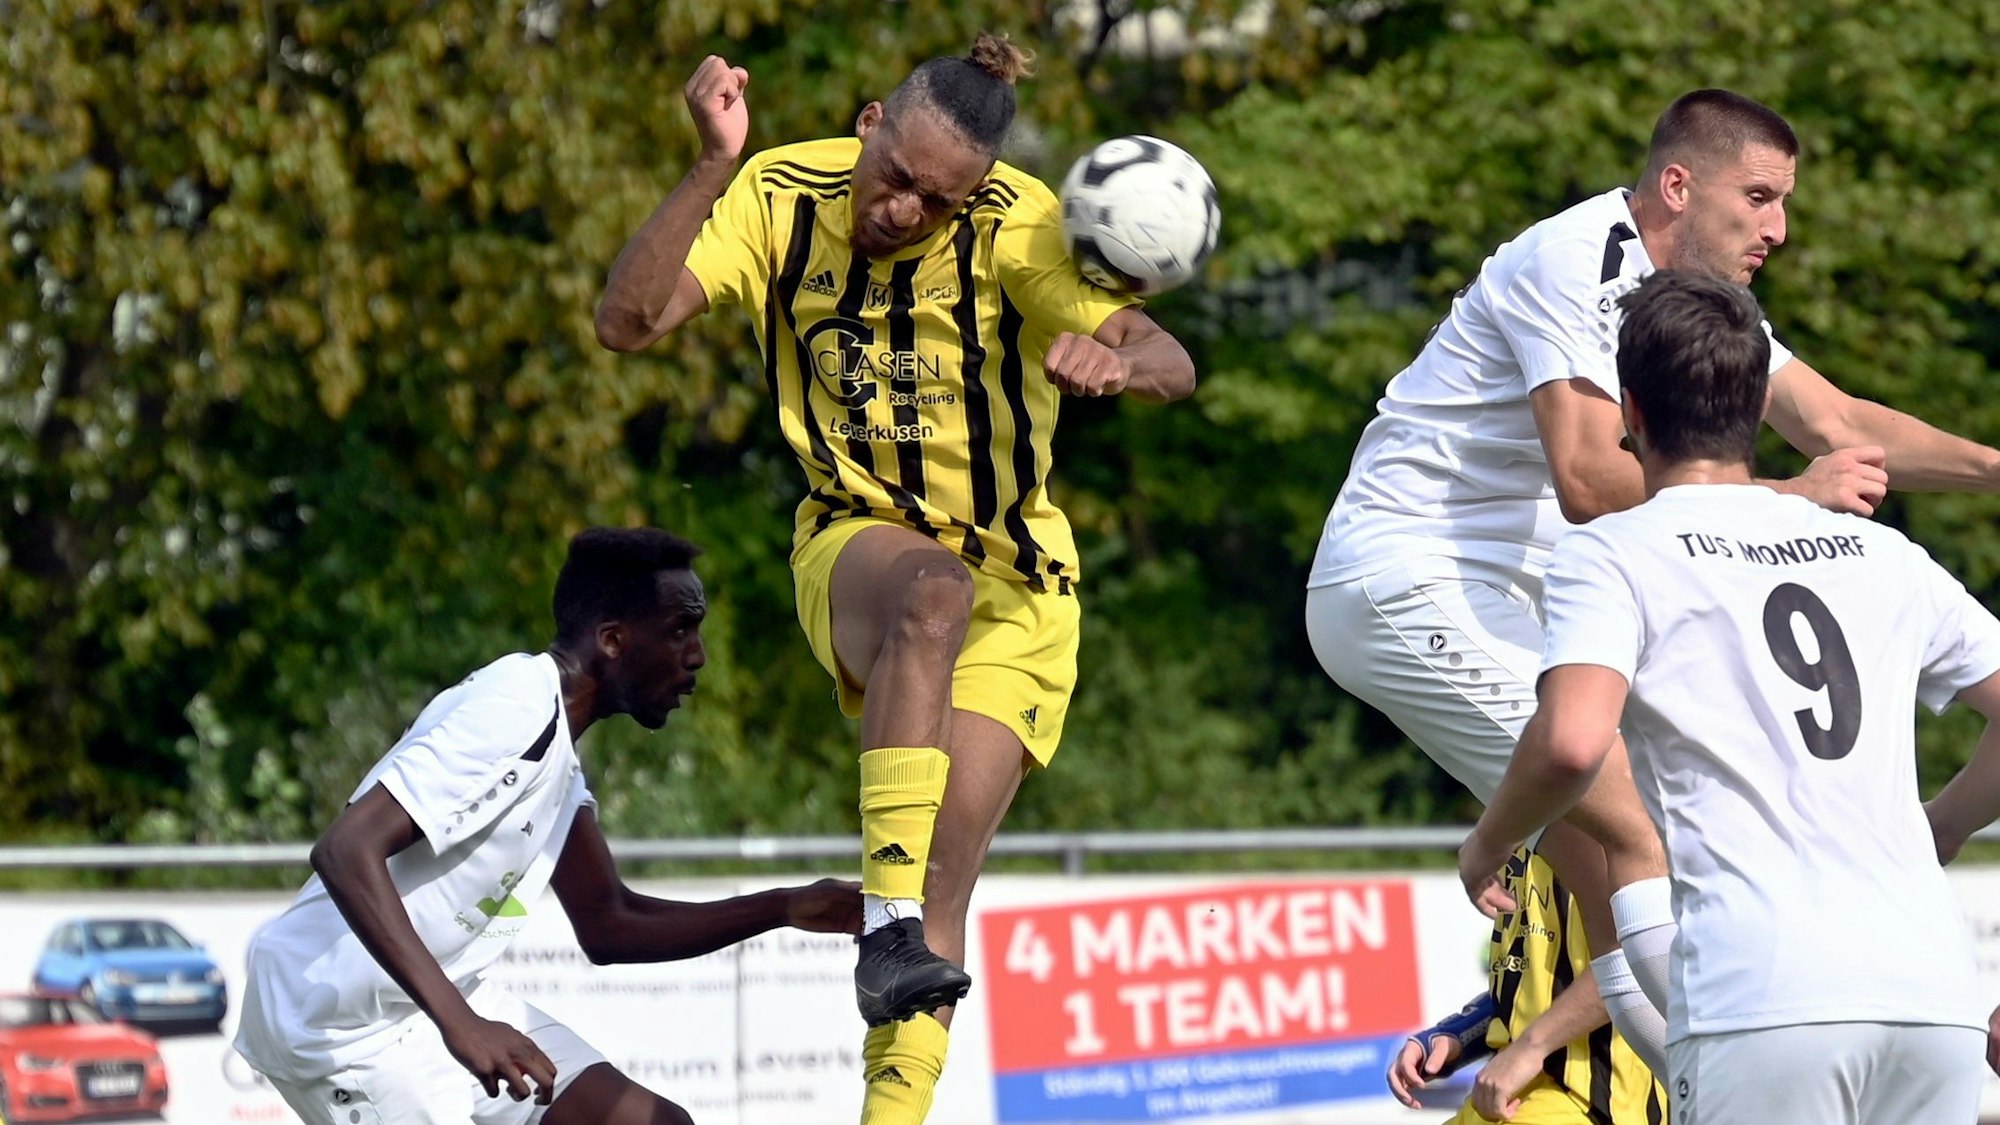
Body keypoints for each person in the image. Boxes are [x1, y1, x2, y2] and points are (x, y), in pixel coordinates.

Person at [1305, 87, 2000, 1068]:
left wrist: (1991, 468)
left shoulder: (1696, 311)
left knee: (1680, 834)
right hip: (1405, 582)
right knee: (1636, 824)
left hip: (1532, 600)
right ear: (1677, 185)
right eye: (1756, 197)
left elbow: (1840, 427)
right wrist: (1787, 496)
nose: (1779, 228)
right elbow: (1590, 478)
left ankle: (1578, 1037)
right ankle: (1704, 1070)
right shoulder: (1571, 261)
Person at [594, 32, 1195, 1125]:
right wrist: (707, 165)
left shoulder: (1017, 230)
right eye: (893, 179)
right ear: (867, 121)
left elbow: (1171, 360)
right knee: (928, 596)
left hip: (1022, 588)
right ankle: (883, 929)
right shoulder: (780, 193)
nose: (901, 211)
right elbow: (623, 323)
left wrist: (1118, 362)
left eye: (935, 201)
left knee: (939, 883)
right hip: (858, 542)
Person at [1458, 270, 2000, 1124]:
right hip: (1933, 995)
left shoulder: (1614, 550)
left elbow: (1571, 742)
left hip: (1764, 993)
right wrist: (1949, 822)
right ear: (1756, 406)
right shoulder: (1882, 553)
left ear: (1630, 410)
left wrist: (1489, 839)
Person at [233, 528, 862, 1125]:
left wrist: (784, 906)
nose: (697, 657)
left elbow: (611, 923)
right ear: (612, 640)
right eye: (680, 630)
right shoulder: (511, 704)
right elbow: (345, 849)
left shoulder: (557, 755)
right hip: (340, 1024)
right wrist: (462, 1023)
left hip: (436, 1000)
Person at [1390, 848, 1662, 1125]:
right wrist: (1459, 1034)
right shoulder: (1517, 841)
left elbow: (1636, 959)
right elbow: (1537, 986)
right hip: (1510, 1094)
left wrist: (1531, 1048)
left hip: (1595, 1103)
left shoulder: (1599, 826)